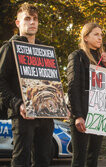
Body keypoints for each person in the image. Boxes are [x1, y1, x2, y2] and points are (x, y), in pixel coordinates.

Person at [0, 3, 54, 166]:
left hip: (45, 114)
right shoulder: (9, 48)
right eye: (27, 19)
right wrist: (18, 104)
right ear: (18, 23)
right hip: (23, 115)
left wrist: (59, 103)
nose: (32, 22)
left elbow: (51, 81)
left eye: (35, 19)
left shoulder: (45, 50)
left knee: (44, 159)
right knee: (21, 159)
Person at [67, 22, 106, 167]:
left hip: (99, 114)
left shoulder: (101, 60)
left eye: (101, 34)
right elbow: (73, 87)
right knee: (79, 158)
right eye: (96, 34)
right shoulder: (77, 56)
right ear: (85, 37)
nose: (100, 38)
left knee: (93, 158)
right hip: (82, 115)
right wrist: (77, 115)